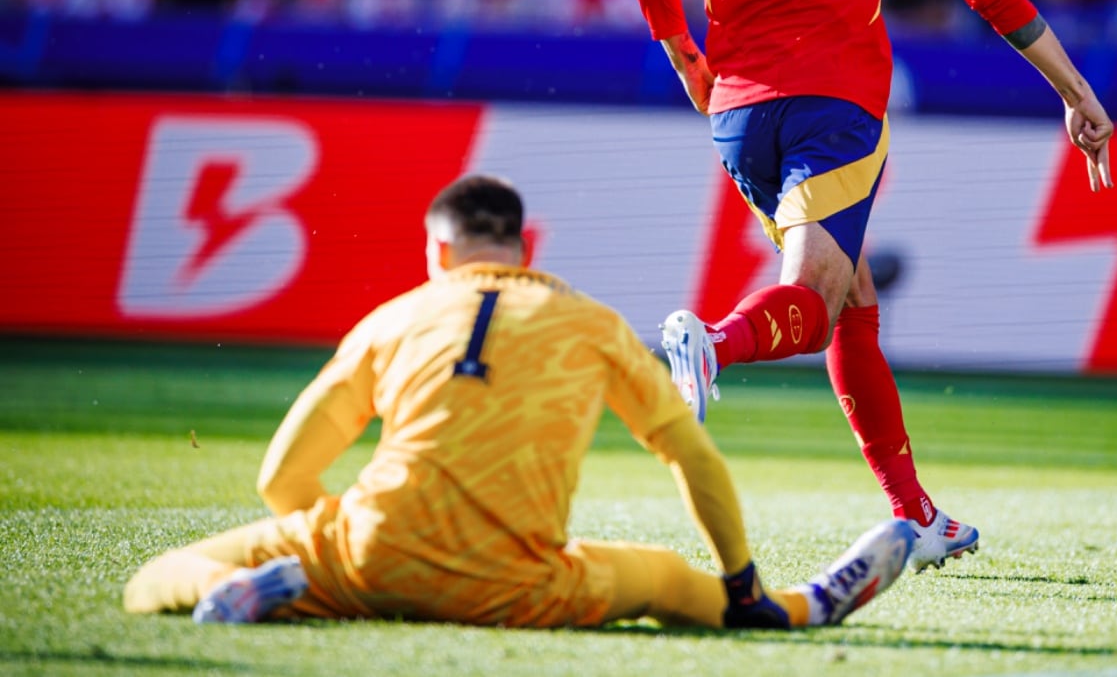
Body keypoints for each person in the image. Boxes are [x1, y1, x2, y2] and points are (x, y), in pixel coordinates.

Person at [622, 0, 1114, 572]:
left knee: (849, 302)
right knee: (811, 304)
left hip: (737, 113)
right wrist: (1073, 89)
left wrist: (685, 61)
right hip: (835, 106)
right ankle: (713, 344)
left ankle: (917, 514)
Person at [123, 174, 914, 629]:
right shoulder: (590, 324)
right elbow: (691, 454)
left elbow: (282, 478)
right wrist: (737, 575)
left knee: (156, 577)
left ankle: (240, 597)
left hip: (362, 554)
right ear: (527, 249)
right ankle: (791, 606)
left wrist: (327, 547)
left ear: (437, 251)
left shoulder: (394, 319)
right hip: (516, 584)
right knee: (664, 580)